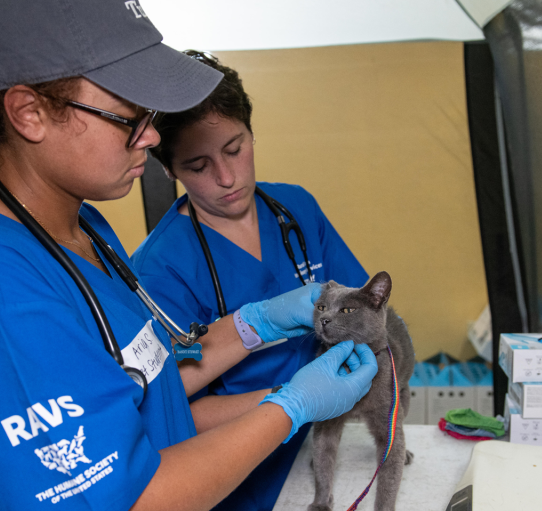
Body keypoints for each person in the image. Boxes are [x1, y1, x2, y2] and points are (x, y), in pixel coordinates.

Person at [0, 0, 377, 510]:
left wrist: (254, 324)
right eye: (130, 117)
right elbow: (133, 499)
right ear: (29, 113)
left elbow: (150, 375)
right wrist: (289, 407)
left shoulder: (82, 226)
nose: (153, 137)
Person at [131, 51, 369, 510]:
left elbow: (361, 310)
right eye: (198, 167)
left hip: (313, 453)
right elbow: (171, 411)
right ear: (168, 170)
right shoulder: (160, 270)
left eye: (235, 149)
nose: (226, 177)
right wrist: (292, 400)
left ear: (252, 133)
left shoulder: (296, 212)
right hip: (234, 479)